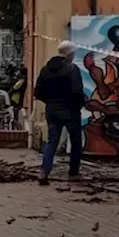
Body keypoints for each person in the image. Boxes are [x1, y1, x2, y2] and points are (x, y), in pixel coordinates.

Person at [35, 41, 85, 185]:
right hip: (70, 111)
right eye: (73, 54)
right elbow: (77, 91)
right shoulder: (72, 69)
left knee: (52, 141)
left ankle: (44, 171)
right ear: (69, 54)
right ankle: (73, 173)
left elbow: (38, 92)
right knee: (76, 141)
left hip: (52, 110)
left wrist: (50, 102)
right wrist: (78, 105)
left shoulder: (46, 69)